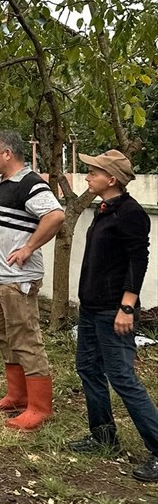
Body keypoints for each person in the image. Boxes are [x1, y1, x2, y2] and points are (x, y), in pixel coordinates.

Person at [68, 149, 157, 483]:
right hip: (92, 308)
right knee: (88, 368)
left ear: (112, 179)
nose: (89, 176)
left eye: (94, 172)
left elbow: (139, 260)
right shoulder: (104, 210)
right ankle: (103, 435)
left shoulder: (130, 213)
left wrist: (127, 306)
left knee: (122, 378)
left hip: (113, 310)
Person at [0, 130, 65, 431]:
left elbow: (54, 216)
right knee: (4, 335)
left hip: (16, 279)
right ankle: (16, 396)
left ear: (8, 153)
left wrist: (29, 247)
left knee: (25, 339)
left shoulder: (30, 184)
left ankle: (40, 407)